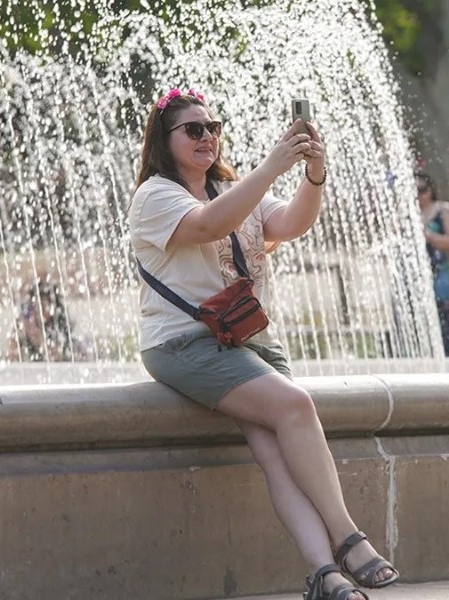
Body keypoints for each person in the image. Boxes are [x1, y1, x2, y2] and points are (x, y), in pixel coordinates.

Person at [128, 87, 399, 600]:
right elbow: (210, 224)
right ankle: (348, 537)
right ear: (164, 140)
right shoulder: (155, 196)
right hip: (186, 343)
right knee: (296, 405)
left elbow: (292, 223)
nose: (207, 137)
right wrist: (273, 166)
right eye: (193, 130)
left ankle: (325, 575)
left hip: (248, 340)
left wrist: (313, 174)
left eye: (213, 128)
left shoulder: (232, 188)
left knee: (275, 454)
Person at [415, 172, 449, 356]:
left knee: (442, 319)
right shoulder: (403, 210)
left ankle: (445, 356)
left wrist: (430, 236)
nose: (418, 195)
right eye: (413, 190)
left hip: (438, 272)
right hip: (411, 275)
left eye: (422, 190)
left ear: (431, 190)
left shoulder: (443, 209)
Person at [8, 281, 74, 362]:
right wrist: (16, 336)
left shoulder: (59, 328)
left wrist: (42, 342)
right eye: (34, 307)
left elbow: (59, 360)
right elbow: (12, 359)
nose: (38, 312)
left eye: (42, 307)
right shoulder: (28, 325)